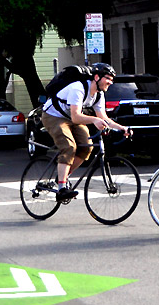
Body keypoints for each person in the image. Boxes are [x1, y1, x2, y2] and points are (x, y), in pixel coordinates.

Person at [41, 62, 132, 202]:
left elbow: (104, 118)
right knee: (69, 147)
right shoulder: (78, 88)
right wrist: (94, 120)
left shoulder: (98, 95)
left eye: (112, 79)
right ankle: (61, 189)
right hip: (53, 116)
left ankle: (62, 177)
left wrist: (122, 128)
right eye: (107, 78)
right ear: (96, 77)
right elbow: (76, 116)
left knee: (86, 148)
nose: (110, 82)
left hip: (71, 117)